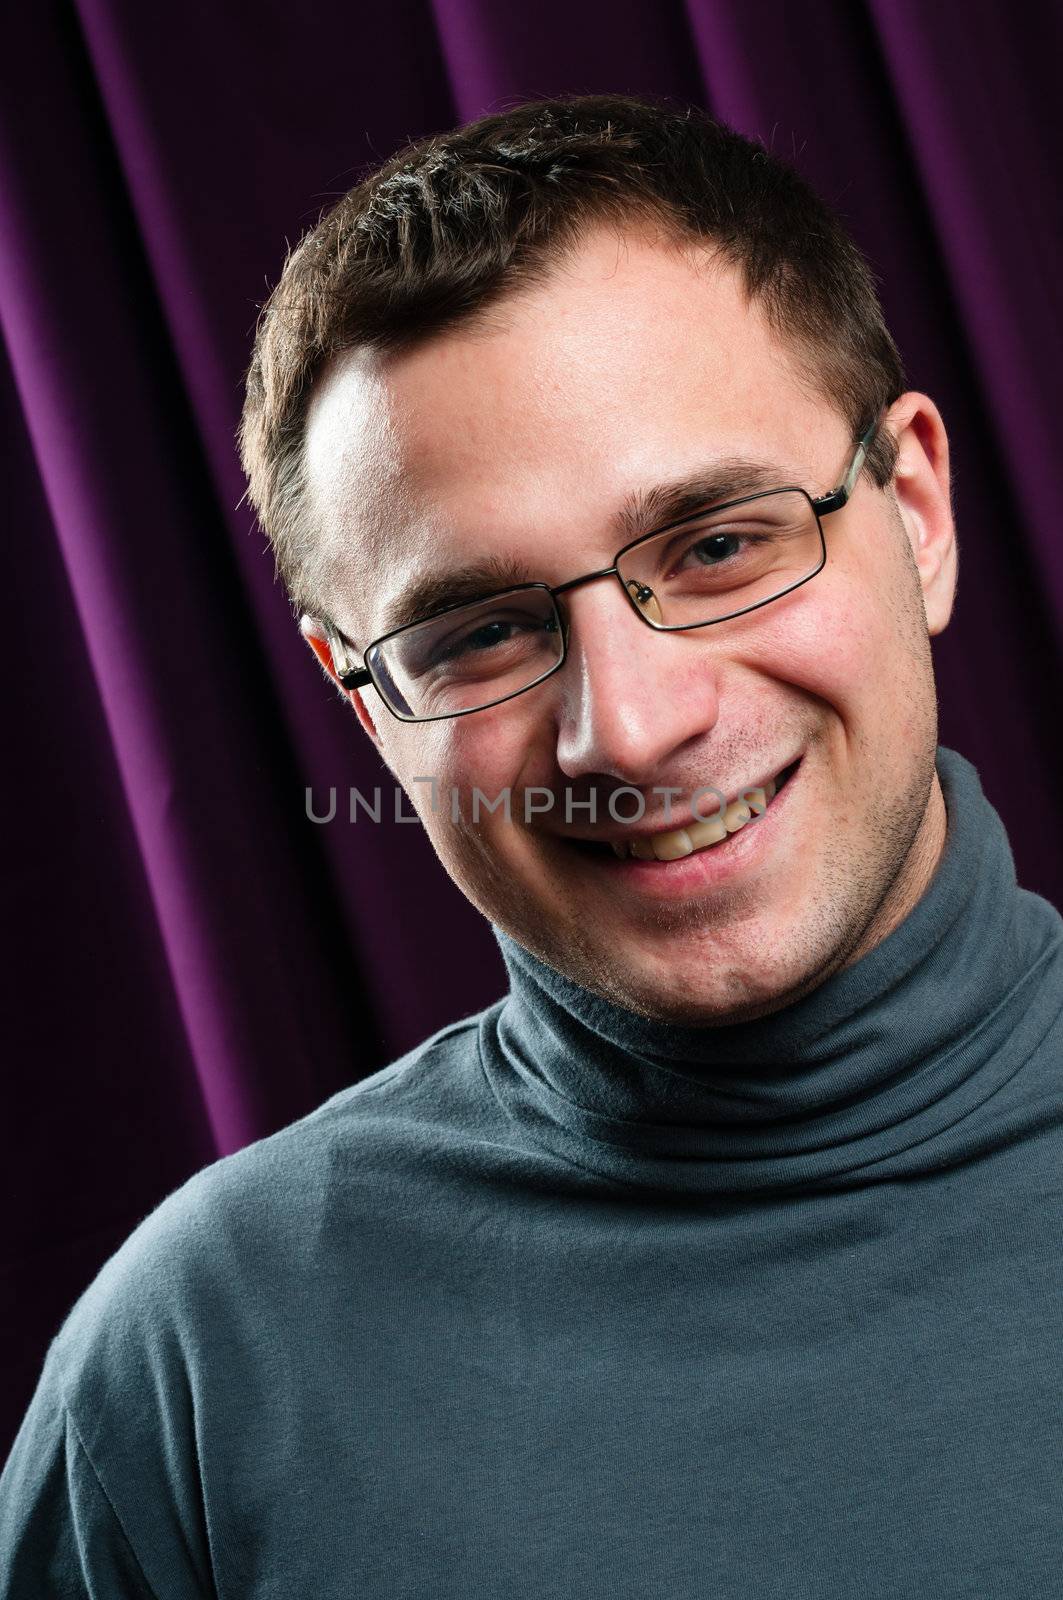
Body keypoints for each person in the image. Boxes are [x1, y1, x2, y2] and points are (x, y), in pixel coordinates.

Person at [2, 93, 1061, 1598]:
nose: (625, 730)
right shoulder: (197, 1365)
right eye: (480, 630)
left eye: (717, 544)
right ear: (367, 709)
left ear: (918, 509)